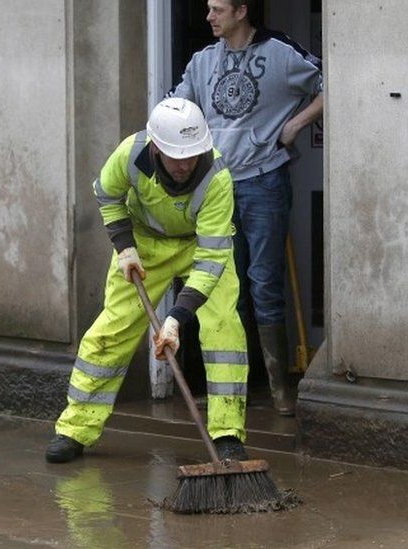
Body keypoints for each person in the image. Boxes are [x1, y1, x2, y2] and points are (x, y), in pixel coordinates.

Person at [46, 98, 249, 464]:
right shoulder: (130, 154)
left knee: (224, 331)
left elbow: (213, 258)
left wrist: (176, 318)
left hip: (199, 247)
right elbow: (107, 193)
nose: (185, 164)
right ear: (156, 147)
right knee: (113, 330)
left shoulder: (216, 177)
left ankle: (227, 434)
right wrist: (124, 247)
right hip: (144, 246)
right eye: (176, 156)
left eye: (193, 155)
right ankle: (74, 429)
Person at [171, 0, 324, 416]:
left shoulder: (279, 51)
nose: (209, 17)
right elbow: (175, 112)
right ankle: (234, 390)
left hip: (264, 180)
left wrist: (296, 123)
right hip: (216, 186)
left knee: (264, 284)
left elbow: (333, 83)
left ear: (241, 11)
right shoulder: (202, 62)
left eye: (218, 9)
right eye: (207, 9)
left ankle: (279, 390)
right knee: (224, 288)